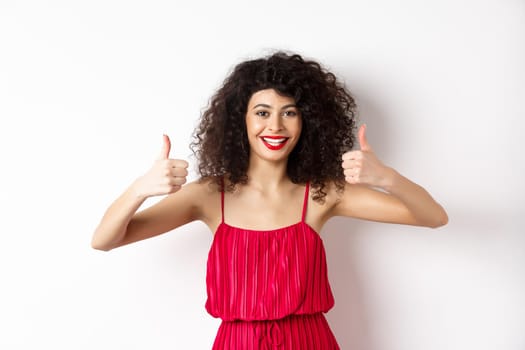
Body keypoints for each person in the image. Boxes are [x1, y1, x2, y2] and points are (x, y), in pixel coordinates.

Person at [91, 51, 448, 349]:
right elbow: (104, 240)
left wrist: (387, 178)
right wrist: (140, 188)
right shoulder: (209, 195)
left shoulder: (323, 194)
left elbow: (433, 216)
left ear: (306, 122)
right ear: (240, 121)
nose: (275, 126)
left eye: (289, 112)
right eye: (262, 112)